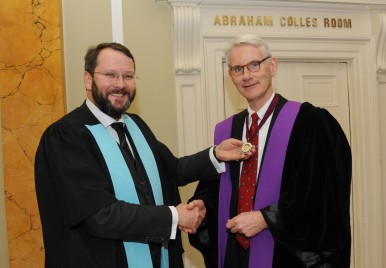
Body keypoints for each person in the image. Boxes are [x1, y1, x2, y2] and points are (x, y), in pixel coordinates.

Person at [34, 42, 251, 268]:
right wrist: (174, 217)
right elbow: (99, 215)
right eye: (110, 75)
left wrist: (215, 154)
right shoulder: (66, 137)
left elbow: (171, 170)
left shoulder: (134, 125)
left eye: (128, 76)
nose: (120, 84)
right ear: (88, 79)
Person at [188, 34, 352, 268]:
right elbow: (219, 187)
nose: (247, 76)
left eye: (254, 65)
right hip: (237, 253)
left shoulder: (308, 122)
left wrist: (266, 219)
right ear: (230, 76)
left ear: (272, 66)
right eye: (237, 69)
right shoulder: (227, 130)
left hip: (286, 254)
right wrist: (204, 205)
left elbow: (320, 195)